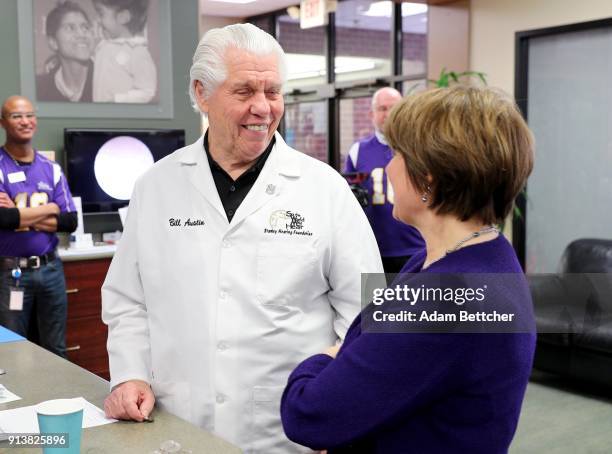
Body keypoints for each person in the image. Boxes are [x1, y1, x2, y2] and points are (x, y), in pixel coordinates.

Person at [101, 23, 382, 452]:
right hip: (177, 423)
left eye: (272, 92)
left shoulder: (323, 188)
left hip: (287, 431)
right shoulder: (156, 186)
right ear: (201, 93)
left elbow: (365, 309)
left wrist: (338, 405)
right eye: (244, 91)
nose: (263, 108)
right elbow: (128, 299)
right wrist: (130, 374)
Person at [281, 86, 537, 453]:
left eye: (398, 154)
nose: (387, 166)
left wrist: (328, 356)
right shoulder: (483, 254)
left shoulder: (445, 299)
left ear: (428, 177)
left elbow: (307, 413)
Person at [0, 96, 78, 357]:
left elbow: (70, 221)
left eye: (29, 115)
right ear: (3, 122)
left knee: (56, 348)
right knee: (13, 350)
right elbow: (4, 220)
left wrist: (21, 213)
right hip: (11, 274)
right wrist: (50, 208)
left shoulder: (51, 168)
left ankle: (62, 398)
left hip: (50, 270)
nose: (25, 121)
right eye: (16, 116)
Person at [345, 87, 424, 273]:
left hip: (416, 249)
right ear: (372, 113)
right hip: (371, 251)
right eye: (382, 108)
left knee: (416, 301)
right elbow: (349, 200)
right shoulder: (358, 151)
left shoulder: (419, 148)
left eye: (393, 108)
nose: (388, 114)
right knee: (372, 301)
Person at [92, 0, 157, 103]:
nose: (98, 20)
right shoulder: (102, 47)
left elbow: (147, 90)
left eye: (101, 14)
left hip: (118, 115)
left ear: (123, 17)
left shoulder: (137, 51)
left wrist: (117, 100)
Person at [36, 1, 95, 103]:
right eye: (70, 28)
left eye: (85, 27)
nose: (81, 34)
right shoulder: (39, 89)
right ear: (53, 42)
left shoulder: (108, 79)